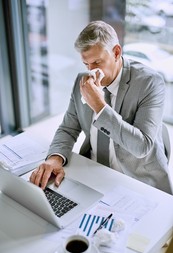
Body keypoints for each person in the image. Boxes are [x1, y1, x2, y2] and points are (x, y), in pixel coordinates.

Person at [30, 20, 173, 194]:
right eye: (86, 64)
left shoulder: (150, 83)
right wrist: (55, 158)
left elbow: (142, 146)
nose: (91, 70)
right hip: (93, 172)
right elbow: (68, 129)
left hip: (135, 180)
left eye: (97, 62)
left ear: (116, 52)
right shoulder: (81, 81)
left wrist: (99, 106)